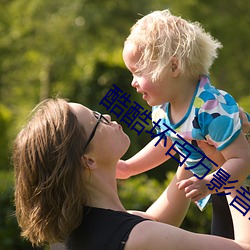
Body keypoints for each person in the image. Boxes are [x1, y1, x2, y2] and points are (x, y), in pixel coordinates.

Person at [13, 98, 250, 250]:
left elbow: (156, 221)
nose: (106, 116)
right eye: (97, 120)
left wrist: (191, 141)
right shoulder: (138, 238)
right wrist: (230, 168)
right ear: (88, 160)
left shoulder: (73, 234)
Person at [119, 9, 250, 239]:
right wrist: (130, 167)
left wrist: (210, 182)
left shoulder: (210, 109)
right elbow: (167, 142)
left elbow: (242, 159)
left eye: (138, 72)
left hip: (239, 187)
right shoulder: (162, 109)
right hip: (222, 191)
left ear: (173, 67)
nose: (133, 82)